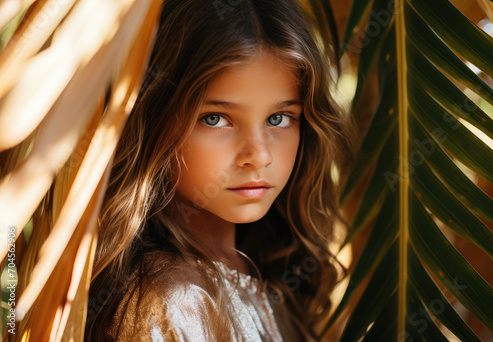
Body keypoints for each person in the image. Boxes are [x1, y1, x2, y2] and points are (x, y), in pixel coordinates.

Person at [85, 0, 355, 341]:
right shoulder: (171, 300)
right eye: (215, 119)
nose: (258, 155)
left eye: (279, 118)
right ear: (153, 120)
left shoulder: (266, 271)